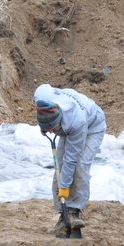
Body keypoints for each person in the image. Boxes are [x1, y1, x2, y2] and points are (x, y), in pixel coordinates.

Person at [34, 84, 107, 234]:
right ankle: (63, 216)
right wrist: (44, 123)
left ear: (59, 120)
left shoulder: (76, 122)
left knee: (79, 166)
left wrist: (64, 187)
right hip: (70, 126)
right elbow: (44, 88)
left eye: (53, 129)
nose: (52, 132)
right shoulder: (42, 97)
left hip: (93, 126)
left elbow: (71, 159)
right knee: (59, 168)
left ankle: (74, 212)